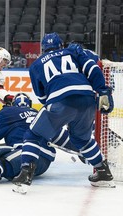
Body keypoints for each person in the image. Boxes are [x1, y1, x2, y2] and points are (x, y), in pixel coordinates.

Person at [12, 32, 115, 194]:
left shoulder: (36, 64)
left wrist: (59, 113)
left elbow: (42, 97)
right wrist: (103, 90)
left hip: (59, 101)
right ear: (61, 45)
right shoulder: (73, 51)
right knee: (82, 139)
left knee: (34, 134)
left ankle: (25, 173)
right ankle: (102, 171)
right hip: (87, 99)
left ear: (43, 48)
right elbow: (92, 66)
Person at [0, 93, 78, 189]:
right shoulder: (41, 114)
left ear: (13, 104)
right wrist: (83, 149)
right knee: (2, 153)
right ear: (30, 104)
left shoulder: (8, 112)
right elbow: (62, 137)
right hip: (43, 159)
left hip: (25, 153)